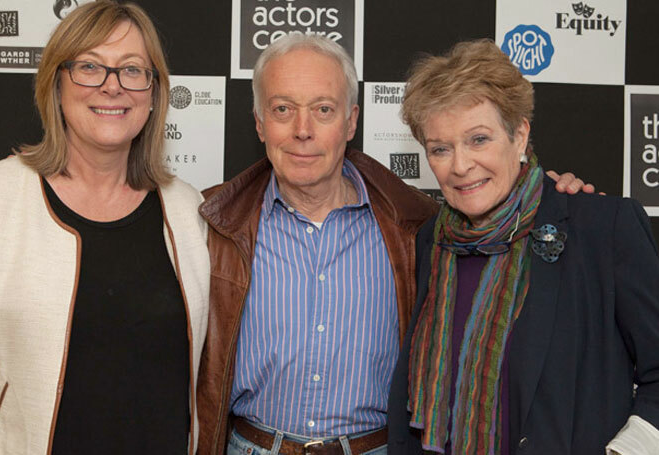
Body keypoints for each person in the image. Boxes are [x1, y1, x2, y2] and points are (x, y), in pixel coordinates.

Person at [195, 34, 591, 455]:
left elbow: (510, 222)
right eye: (282, 109)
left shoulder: (418, 227)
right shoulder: (210, 224)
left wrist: (553, 198)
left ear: (351, 121)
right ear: (259, 121)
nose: (302, 130)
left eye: (323, 110)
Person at [0, 2, 209, 454]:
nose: (112, 87)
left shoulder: (188, 211)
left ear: (153, 93)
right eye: (90, 67)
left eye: (132, 70)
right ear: (56, 84)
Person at [387, 39, 659, 455]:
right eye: (440, 149)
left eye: (478, 139)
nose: (460, 165)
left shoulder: (602, 230)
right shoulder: (432, 241)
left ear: (519, 135)